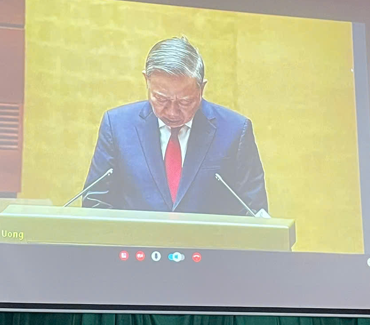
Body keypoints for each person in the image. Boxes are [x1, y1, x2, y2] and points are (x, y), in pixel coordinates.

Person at [81, 37, 268, 216]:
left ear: (202, 88)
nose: (172, 112)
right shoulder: (117, 125)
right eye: (161, 99)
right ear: (147, 80)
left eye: (185, 102)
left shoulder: (235, 131)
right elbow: (96, 202)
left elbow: (254, 211)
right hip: (134, 239)